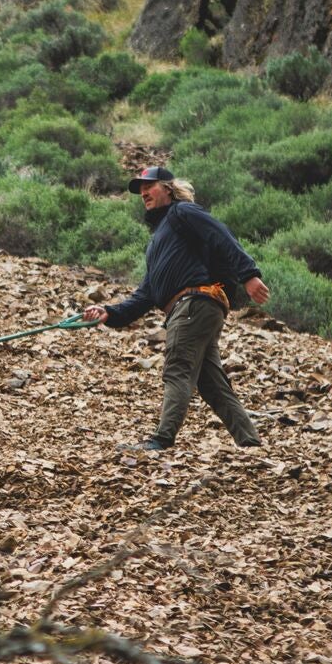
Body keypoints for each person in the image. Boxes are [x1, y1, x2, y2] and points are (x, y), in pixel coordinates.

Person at [80, 166, 270, 452]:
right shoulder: (159, 239)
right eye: (140, 189)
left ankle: (161, 440)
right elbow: (147, 293)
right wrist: (110, 313)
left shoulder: (183, 213)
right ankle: (251, 443)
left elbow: (221, 235)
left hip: (193, 304)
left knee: (177, 368)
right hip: (197, 308)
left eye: (149, 186)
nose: (143, 192)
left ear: (167, 188)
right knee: (211, 383)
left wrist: (249, 275)